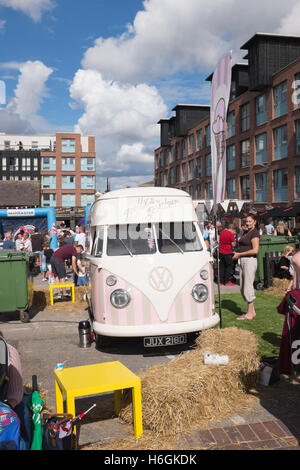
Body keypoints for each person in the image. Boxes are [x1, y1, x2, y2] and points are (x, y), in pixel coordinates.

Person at [0, 331, 31, 449]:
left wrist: (6, 407)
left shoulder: (8, 351)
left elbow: (16, 394)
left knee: (22, 411)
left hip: (5, 403)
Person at [232, 213, 260, 320]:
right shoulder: (247, 232)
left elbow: (255, 250)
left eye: (249, 221)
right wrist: (236, 252)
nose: (247, 223)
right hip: (243, 260)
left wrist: (239, 254)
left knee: (247, 286)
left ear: (255, 222)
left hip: (249, 261)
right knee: (243, 287)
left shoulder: (255, 233)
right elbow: (244, 246)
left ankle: (249, 314)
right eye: (246, 221)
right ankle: (252, 312)